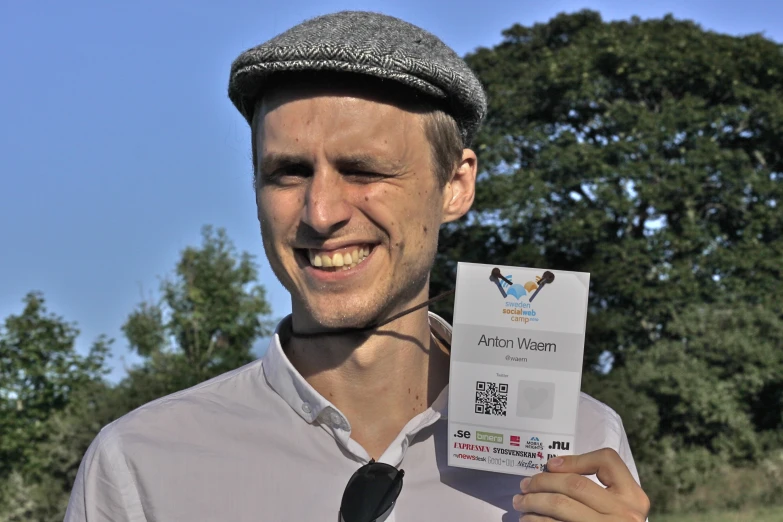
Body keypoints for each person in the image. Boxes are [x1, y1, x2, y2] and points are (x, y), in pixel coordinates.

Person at [65, 11, 650, 522]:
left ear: (456, 184)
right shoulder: (139, 462)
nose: (320, 212)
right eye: (288, 172)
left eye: (364, 170)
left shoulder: (581, 446)